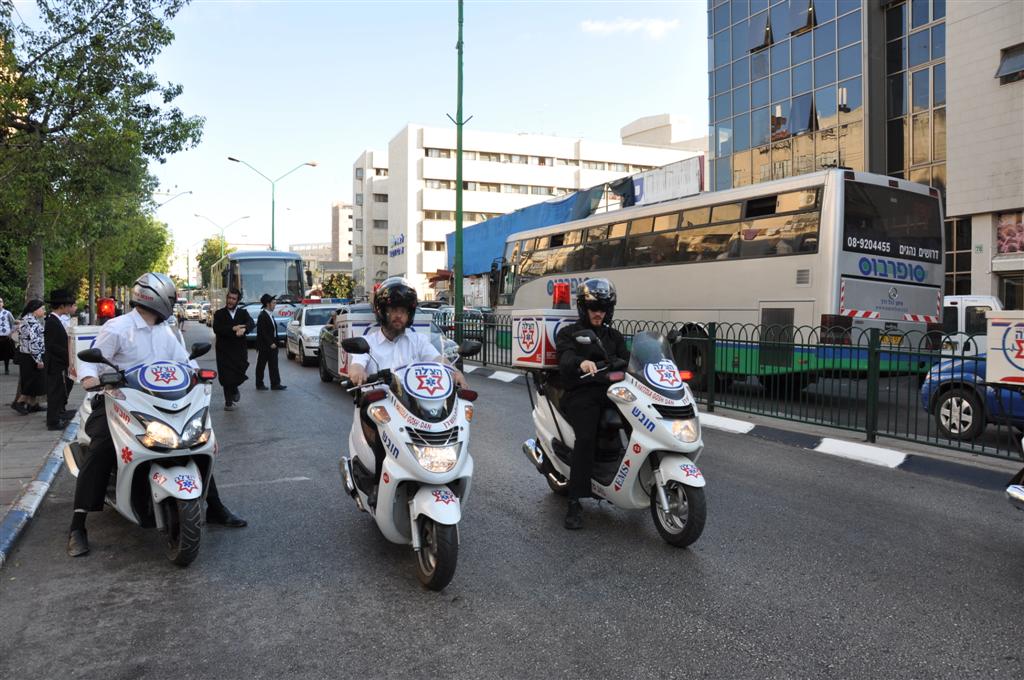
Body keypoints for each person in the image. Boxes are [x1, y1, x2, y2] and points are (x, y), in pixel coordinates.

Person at [67, 272, 246, 557]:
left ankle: (214, 506)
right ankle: (78, 525)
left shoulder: (165, 331)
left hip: (161, 403)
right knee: (100, 449)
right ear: (156, 297)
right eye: (171, 299)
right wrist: (91, 379)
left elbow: (183, 362)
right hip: (118, 402)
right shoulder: (117, 327)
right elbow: (91, 362)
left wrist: (196, 373)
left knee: (194, 441)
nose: (173, 304)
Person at [349, 277, 468, 508]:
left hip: (412, 406)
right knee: (385, 435)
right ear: (382, 311)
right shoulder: (368, 342)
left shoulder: (417, 340)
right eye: (393, 309)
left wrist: (454, 372)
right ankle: (376, 484)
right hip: (380, 407)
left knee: (446, 425)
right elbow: (357, 364)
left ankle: (447, 476)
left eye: (403, 311)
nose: (398, 316)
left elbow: (437, 359)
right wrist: (357, 372)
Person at [554, 278, 629, 530]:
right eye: (594, 307)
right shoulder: (569, 333)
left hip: (613, 392)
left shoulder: (614, 336)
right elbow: (564, 357)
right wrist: (580, 362)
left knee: (639, 423)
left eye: (604, 308)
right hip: (582, 393)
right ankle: (575, 501)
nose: (599, 313)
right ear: (583, 308)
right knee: (586, 437)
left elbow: (629, 360)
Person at [211, 288, 255, 411]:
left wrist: (244, 329)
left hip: (239, 351)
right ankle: (228, 402)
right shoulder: (219, 314)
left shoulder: (243, 313)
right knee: (226, 376)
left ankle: (234, 388)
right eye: (229, 298)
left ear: (238, 300)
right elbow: (217, 329)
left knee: (239, 372)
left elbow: (251, 323)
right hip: (224, 351)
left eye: (233, 299)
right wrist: (233, 328)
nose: (230, 301)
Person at [44, 290, 78, 431]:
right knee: (55, 392)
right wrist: (68, 355)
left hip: (58, 362)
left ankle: (59, 414)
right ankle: (53, 421)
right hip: (55, 363)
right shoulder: (52, 322)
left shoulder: (55, 320)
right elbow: (52, 346)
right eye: (69, 305)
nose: (70, 308)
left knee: (59, 391)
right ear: (62, 306)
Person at [14, 300, 47, 415]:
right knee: (31, 382)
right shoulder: (31, 322)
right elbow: (34, 342)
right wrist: (39, 359)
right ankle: (19, 402)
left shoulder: (28, 320)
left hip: (27, 355)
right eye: (42, 308)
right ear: (35, 309)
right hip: (31, 356)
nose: (44, 311)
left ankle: (33, 405)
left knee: (34, 382)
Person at [254, 293, 286, 391]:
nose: (275, 304)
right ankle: (259, 384)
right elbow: (262, 332)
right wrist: (270, 343)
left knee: (274, 365)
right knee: (261, 365)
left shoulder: (270, 315)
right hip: (265, 346)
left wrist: (276, 342)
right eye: (273, 303)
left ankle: (275, 384)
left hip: (273, 345)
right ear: (268, 304)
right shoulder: (262, 316)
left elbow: (272, 331)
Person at [0, 296, 15, 375]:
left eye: (1, 301)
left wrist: (11, 333)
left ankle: (6, 368)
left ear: (3, 304)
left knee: (6, 354)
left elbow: (13, 324)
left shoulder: (7, 313)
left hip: (6, 337)